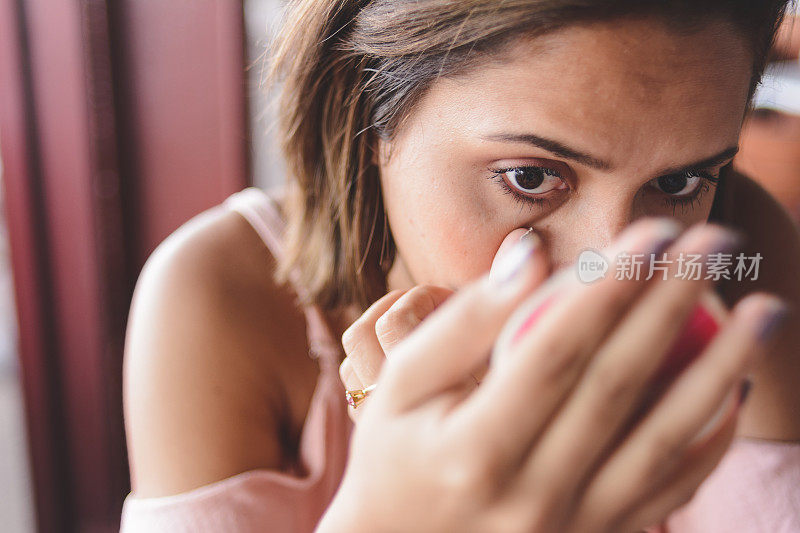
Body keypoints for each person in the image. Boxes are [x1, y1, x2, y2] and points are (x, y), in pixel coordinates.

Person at [120, 1, 800, 532]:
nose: (612, 268)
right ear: (370, 112)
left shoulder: (737, 264)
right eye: (532, 176)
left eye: (679, 183)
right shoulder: (217, 302)